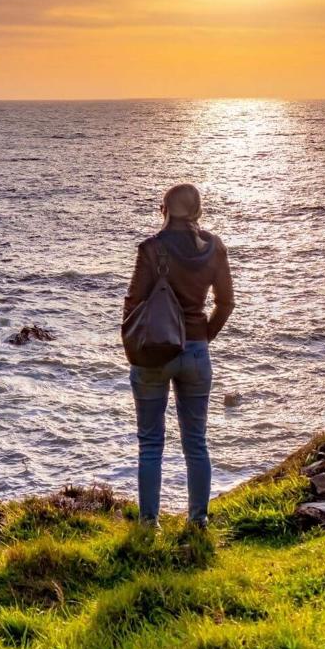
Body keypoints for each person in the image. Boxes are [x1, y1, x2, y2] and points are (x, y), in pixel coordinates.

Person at [123, 183, 234, 528]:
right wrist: (202, 338)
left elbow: (133, 304)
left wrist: (132, 348)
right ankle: (198, 521)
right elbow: (226, 303)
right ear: (197, 211)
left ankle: (148, 524)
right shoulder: (214, 247)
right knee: (196, 443)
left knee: (151, 443)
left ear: (164, 209)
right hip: (197, 354)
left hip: (154, 351)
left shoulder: (152, 249)